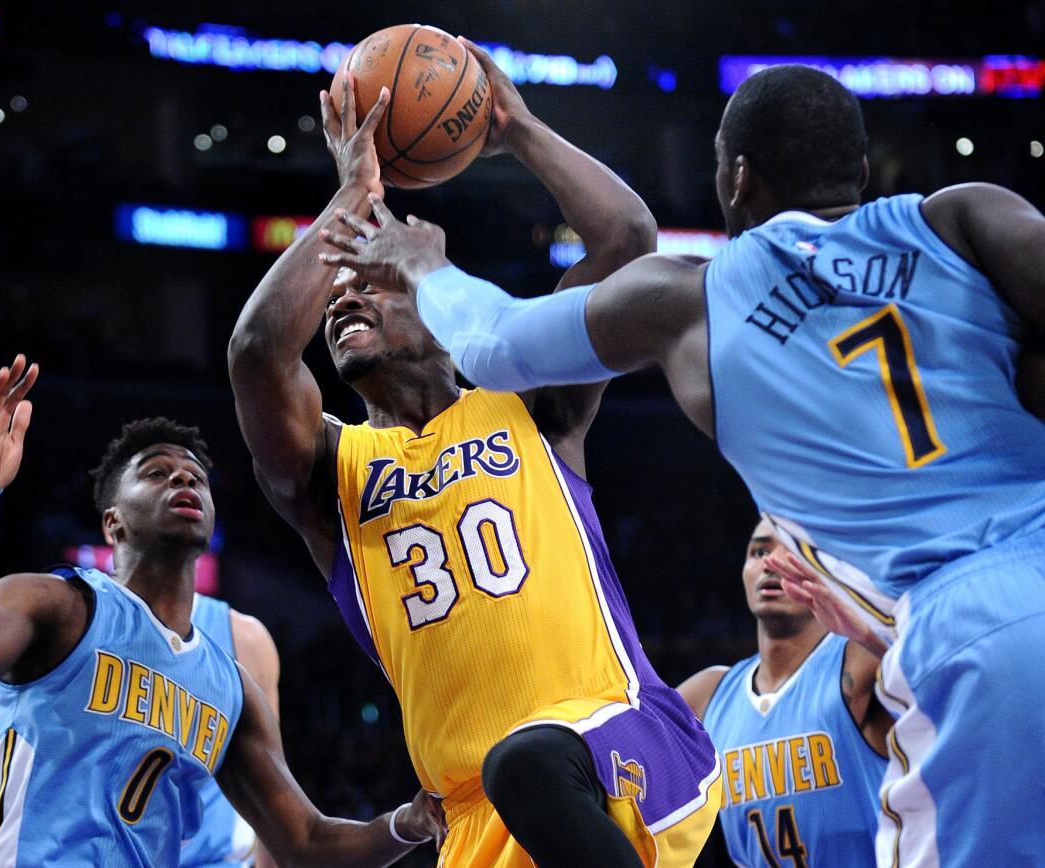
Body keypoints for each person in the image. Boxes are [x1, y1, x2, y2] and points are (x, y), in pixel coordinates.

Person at [318, 62, 1045, 866]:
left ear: (736, 179)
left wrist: (426, 266)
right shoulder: (964, 215)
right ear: (863, 173)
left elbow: (493, 344)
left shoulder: (692, 300)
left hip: (969, 630)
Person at [228, 42, 720, 868]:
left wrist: (517, 128)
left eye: (373, 282)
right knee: (514, 767)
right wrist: (356, 198)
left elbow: (629, 240)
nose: (345, 293)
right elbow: (256, 351)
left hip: (618, 752)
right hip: (478, 818)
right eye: (336, 294)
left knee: (529, 758)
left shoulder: (530, 400)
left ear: (438, 302)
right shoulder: (329, 476)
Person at [0, 356, 438, 867]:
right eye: (158, 473)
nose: (184, 481)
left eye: (195, 477)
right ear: (113, 524)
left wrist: (405, 825)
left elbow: (305, 841)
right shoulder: (58, 604)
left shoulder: (231, 685)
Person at [0, 590, 281, 868]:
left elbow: (274, 803)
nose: (178, 482)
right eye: (154, 475)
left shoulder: (243, 642)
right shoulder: (79, 627)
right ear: (114, 524)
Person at [677, 518, 888, 866]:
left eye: (792, 553)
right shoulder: (709, 693)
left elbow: (941, 666)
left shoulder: (860, 659)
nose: (770, 564)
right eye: (759, 551)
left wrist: (874, 632)